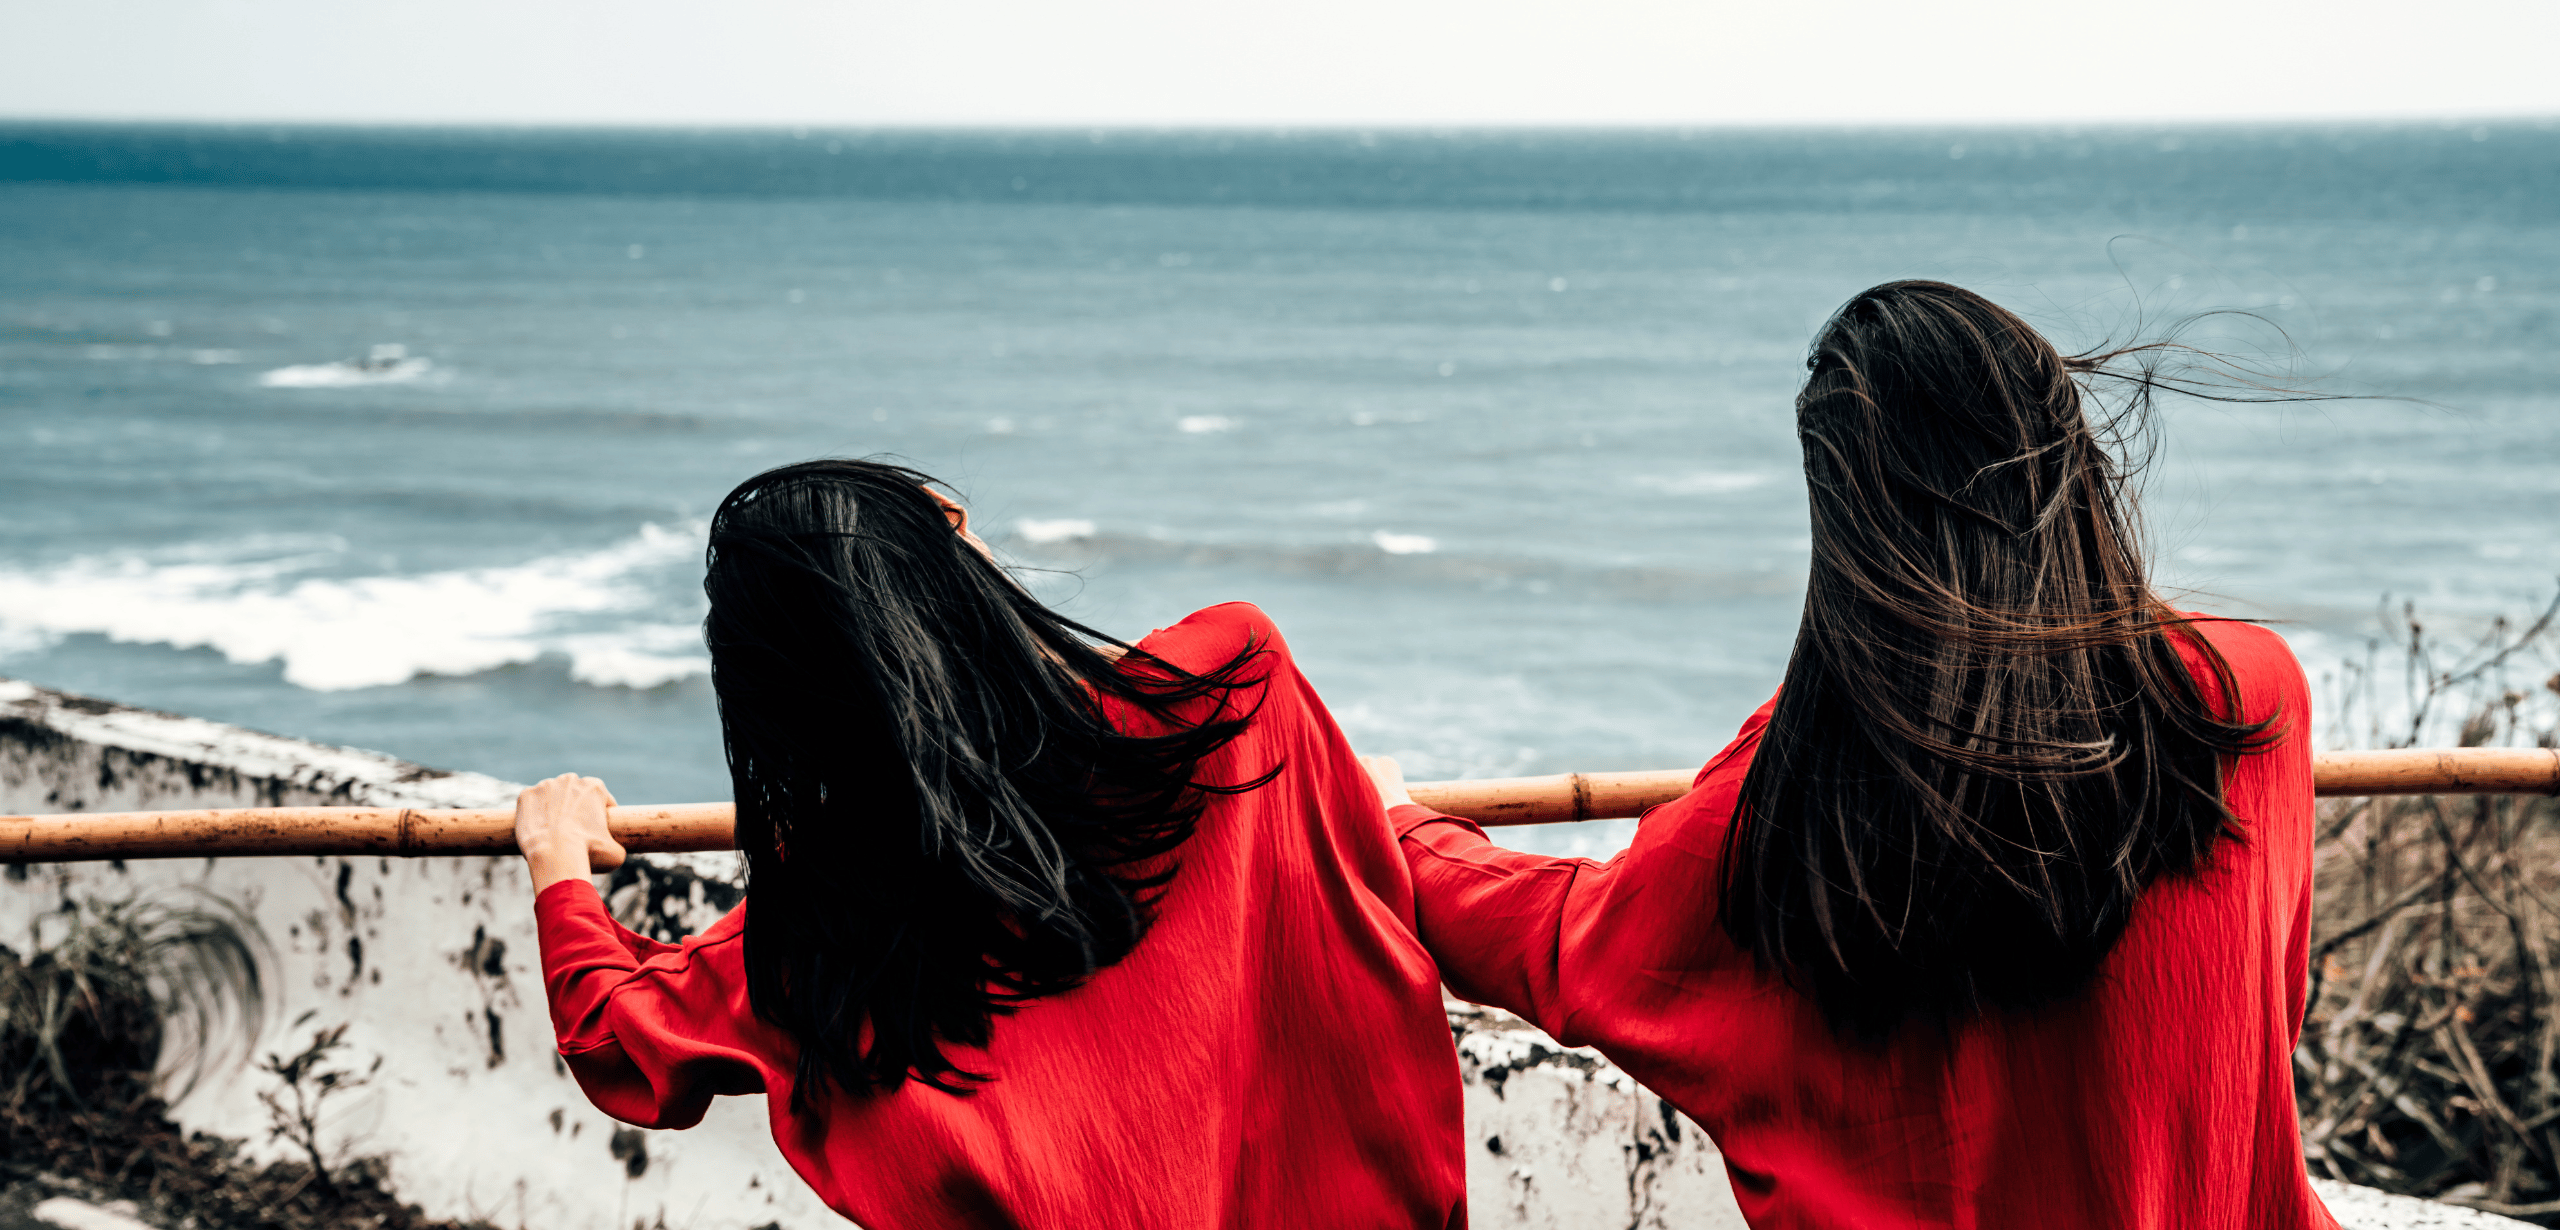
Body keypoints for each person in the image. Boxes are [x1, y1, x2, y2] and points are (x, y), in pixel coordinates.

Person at [1369, 280, 2337, 1229]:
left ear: (1844, 518)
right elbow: (2261, 1015)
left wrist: (1395, 824)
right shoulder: (2249, 702)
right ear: (2065, 457)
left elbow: (1559, 940)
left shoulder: (1794, 807)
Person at [513, 459, 1465, 1229]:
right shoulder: (1226, 684)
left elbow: (616, 1036)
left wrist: (558, 863)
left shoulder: (825, 934)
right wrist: (1388, 808)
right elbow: (1348, 873)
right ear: (949, 527)